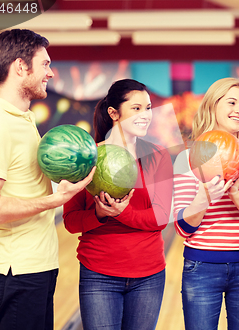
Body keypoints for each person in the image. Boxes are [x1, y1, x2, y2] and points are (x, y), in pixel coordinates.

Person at [0, 29, 94, 330]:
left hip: (36, 265)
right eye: (44, 64)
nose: (51, 73)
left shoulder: (23, 119)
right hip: (15, 269)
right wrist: (54, 200)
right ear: (20, 67)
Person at [63, 79, 172, 330]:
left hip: (149, 276)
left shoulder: (158, 156)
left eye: (148, 108)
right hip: (98, 274)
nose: (145, 115)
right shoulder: (85, 159)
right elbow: (70, 221)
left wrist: (123, 213)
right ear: (113, 113)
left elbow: (161, 218)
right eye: (136, 108)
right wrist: (99, 215)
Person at [173, 77, 239, 330]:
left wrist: (237, 194)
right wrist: (204, 197)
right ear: (212, 106)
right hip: (201, 267)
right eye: (232, 102)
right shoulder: (187, 158)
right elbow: (183, 229)